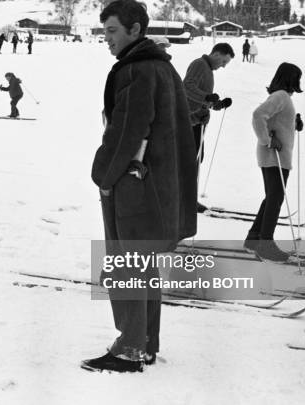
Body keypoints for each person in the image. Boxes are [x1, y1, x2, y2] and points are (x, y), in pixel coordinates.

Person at [82, 0, 197, 373]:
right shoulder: (163, 68)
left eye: (112, 31)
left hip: (134, 185)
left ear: (135, 30)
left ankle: (130, 348)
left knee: (128, 264)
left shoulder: (136, 71)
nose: (107, 40)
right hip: (157, 188)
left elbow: (126, 133)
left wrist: (103, 174)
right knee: (143, 266)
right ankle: (144, 342)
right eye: (104, 33)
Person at [243, 63, 303, 262]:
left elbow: (275, 122)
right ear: (290, 78)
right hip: (274, 156)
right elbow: (258, 115)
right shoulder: (281, 96)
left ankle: (253, 239)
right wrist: (268, 140)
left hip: (275, 155)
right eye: (297, 78)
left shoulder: (281, 96)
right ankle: (265, 244)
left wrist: (295, 123)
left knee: (272, 197)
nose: (298, 82)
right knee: (275, 199)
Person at [183, 43, 234, 212]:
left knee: (196, 159)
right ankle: (185, 199)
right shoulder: (199, 64)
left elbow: (204, 100)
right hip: (188, 122)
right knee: (190, 161)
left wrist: (218, 104)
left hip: (197, 122)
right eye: (224, 62)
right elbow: (187, 87)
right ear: (217, 54)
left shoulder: (207, 70)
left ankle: (188, 198)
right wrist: (207, 97)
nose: (223, 66)